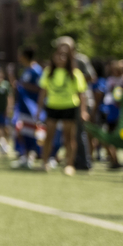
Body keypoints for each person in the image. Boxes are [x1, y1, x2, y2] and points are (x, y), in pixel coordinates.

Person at [38, 41, 87, 175]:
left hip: (69, 107)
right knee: (49, 136)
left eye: (64, 55)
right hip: (52, 107)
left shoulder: (75, 73)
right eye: (59, 55)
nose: (61, 58)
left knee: (69, 137)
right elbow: (43, 92)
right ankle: (44, 162)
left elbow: (81, 94)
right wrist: (38, 109)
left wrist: (83, 111)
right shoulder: (48, 72)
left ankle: (69, 165)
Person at [12, 47, 45, 169]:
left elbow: (41, 88)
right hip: (23, 106)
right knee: (23, 131)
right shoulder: (26, 70)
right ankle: (25, 156)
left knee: (33, 132)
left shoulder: (37, 71)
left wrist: (24, 86)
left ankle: (33, 156)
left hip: (32, 107)